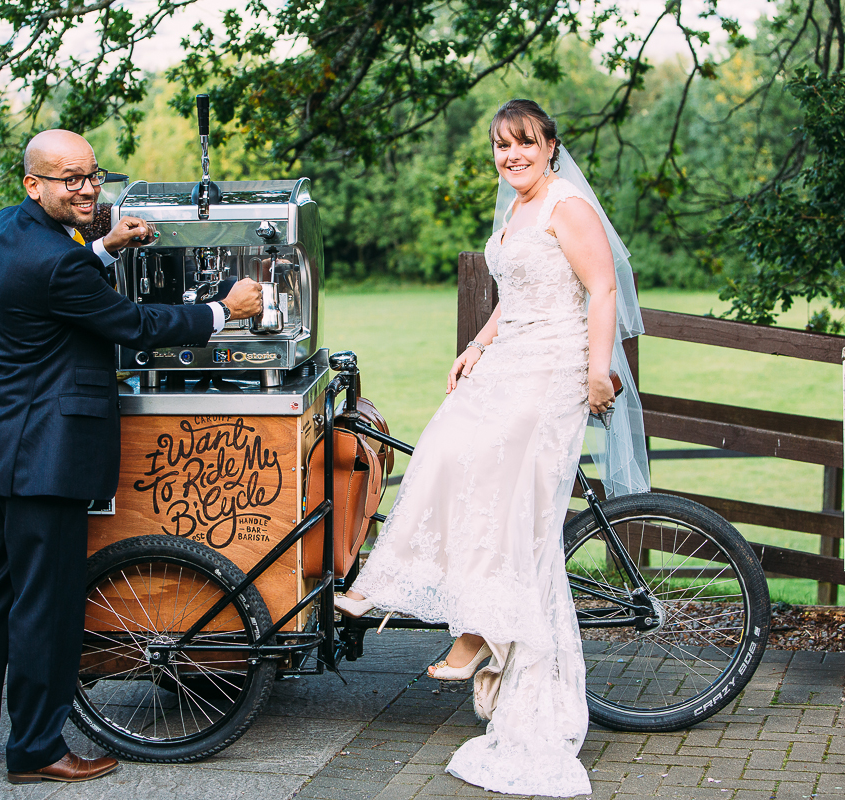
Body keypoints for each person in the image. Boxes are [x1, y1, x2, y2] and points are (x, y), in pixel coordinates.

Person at [335, 99, 647, 796]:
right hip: (512, 358)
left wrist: (600, 369)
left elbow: (601, 290)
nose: (512, 157)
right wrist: (477, 345)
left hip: (558, 368)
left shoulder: (568, 206)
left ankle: (479, 631)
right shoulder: (513, 209)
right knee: (445, 447)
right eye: (502, 147)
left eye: (524, 144)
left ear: (550, 147)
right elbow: (516, 292)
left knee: (511, 503)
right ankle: (395, 588)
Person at [0, 129, 263, 784]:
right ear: (35, 184)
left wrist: (107, 247)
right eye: (69, 178)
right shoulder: (59, 264)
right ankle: (35, 750)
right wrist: (221, 311)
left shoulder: (6, 232)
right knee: (45, 605)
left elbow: (59, 276)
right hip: (44, 458)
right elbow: (133, 325)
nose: (87, 187)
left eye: (92, 175)